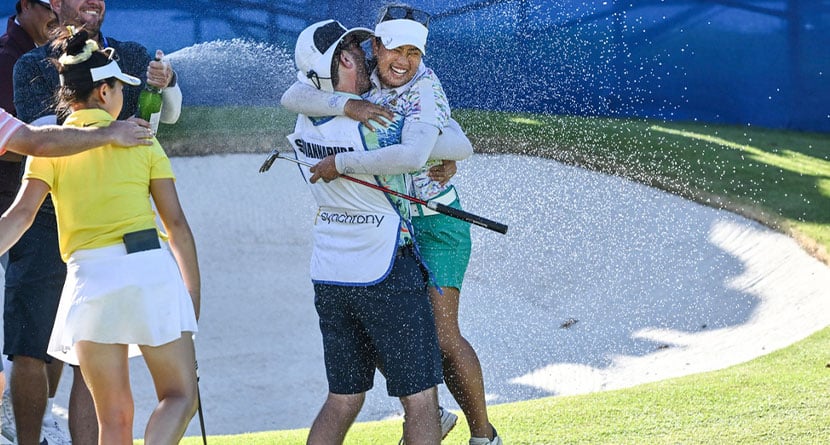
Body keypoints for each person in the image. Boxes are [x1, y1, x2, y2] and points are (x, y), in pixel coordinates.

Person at [281, 4, 501, 445]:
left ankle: (483, 435)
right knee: (396, 333)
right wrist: (349, 103)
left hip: (437, 225)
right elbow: (292, 96)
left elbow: (450, 145)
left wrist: (343, 162)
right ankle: (432, 418)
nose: (403, 61)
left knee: (441, 336)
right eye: (392, 50)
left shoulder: (424, 88)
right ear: (374, 47)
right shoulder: (370, 83)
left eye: (413, 53)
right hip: (398, 232)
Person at [0, 28, 199, 445]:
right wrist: (191, 298)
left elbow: (18, 218)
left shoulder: (50, 148)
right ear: (105, 91)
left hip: (87, 282)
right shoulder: (141, 139)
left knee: (113, 418)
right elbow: (176, 225)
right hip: (148, 270)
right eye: (121, 88)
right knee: (180, 396)